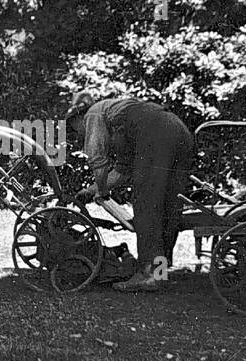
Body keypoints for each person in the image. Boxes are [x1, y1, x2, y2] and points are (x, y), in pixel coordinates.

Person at [65, 91, 196, 292]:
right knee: (169, 205)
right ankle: (161, 272)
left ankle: (149, 274)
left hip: (155, 134)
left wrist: (100, 189)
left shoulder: (92, 114)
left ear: (78, 119)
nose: (79, 135)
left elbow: (97, 159)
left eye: (75, 130)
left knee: (147, 204)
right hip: (177, 130)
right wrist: (92, 190)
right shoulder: (119, 120)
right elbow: (121, 171)